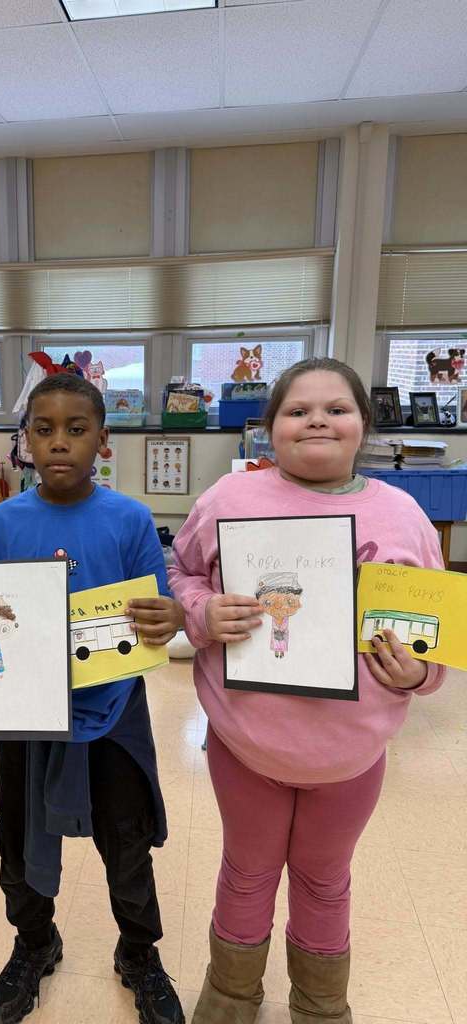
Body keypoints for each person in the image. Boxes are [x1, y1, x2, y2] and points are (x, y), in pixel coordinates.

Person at [169, 358, 447, 1024]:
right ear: (269, 431)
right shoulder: (228, 501)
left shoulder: (402, 516)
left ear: (363, 426)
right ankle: (230, 996)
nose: (317, 419)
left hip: (349, 757)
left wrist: (421, 673)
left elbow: (434, 634)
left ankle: (322, 1007)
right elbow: (182, 574)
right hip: (247, 746)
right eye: (297, 411)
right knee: (246, 872)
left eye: (336, 408)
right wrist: (205, 613)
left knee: (325, 883)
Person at [0, 373, 186, 1024]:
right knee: (19, 837)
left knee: (127, 842)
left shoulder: (129, 518)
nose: (59, 442)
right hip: (28, 716)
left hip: (113, 711)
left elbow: (161, 610)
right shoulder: (6, 522)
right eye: (43, 429)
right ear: (24, 440)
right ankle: (35, 943)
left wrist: (170, 615)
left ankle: (139, 955)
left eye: (76, 429)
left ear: (103, 438)